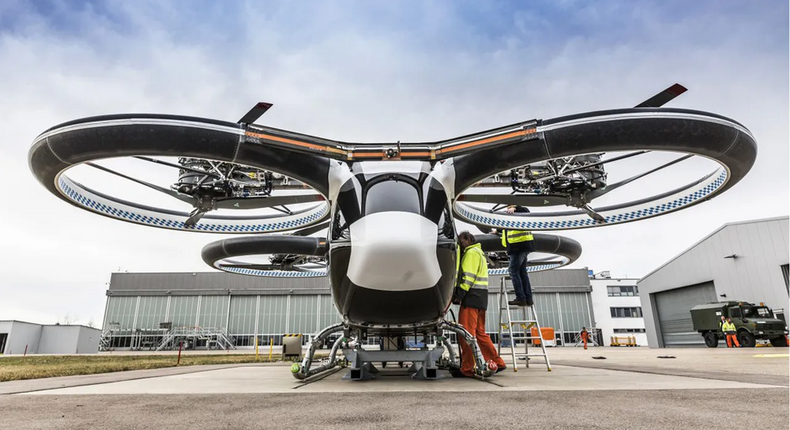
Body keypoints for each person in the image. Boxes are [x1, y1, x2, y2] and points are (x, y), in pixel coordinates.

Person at [452, 231, 507, 377]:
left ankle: (467, 368)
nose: (460, 244)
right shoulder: (479, 252)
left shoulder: (471, 253)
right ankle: (497, 362)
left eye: (461, 241)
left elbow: (468, 276)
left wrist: (460, 294)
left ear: (469, 239)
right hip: (480, 299)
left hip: (471, 298)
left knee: (466, 335)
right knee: (479, 333)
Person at [498, 205, 535, 306]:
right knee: (522, 272)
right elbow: (507, 229)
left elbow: (526, 210)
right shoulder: (511, 219)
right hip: (521, 246)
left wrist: (516, 208)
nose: (507, 210)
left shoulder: (519, 212)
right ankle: (528, 298)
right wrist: (497, 231)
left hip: (518, 247)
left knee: (513, 271)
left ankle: (521, 298)